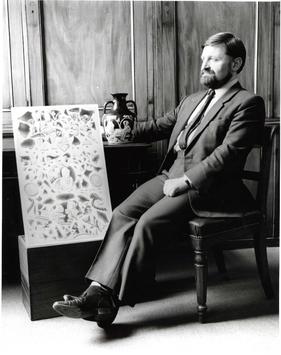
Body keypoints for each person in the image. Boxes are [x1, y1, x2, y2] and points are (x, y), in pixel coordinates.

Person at [53, 32, 265, 327]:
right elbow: (156, 126)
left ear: (236, 63)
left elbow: (229, 154)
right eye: (203, 59)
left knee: (147, 224)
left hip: (207, 189)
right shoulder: (192, 101)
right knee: (122, 213)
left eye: (214, 60)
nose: (204, 65)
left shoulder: (248, 103)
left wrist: (187, 180)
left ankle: (108, 300)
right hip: (169, 176)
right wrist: (109, 130)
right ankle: (98, 293)